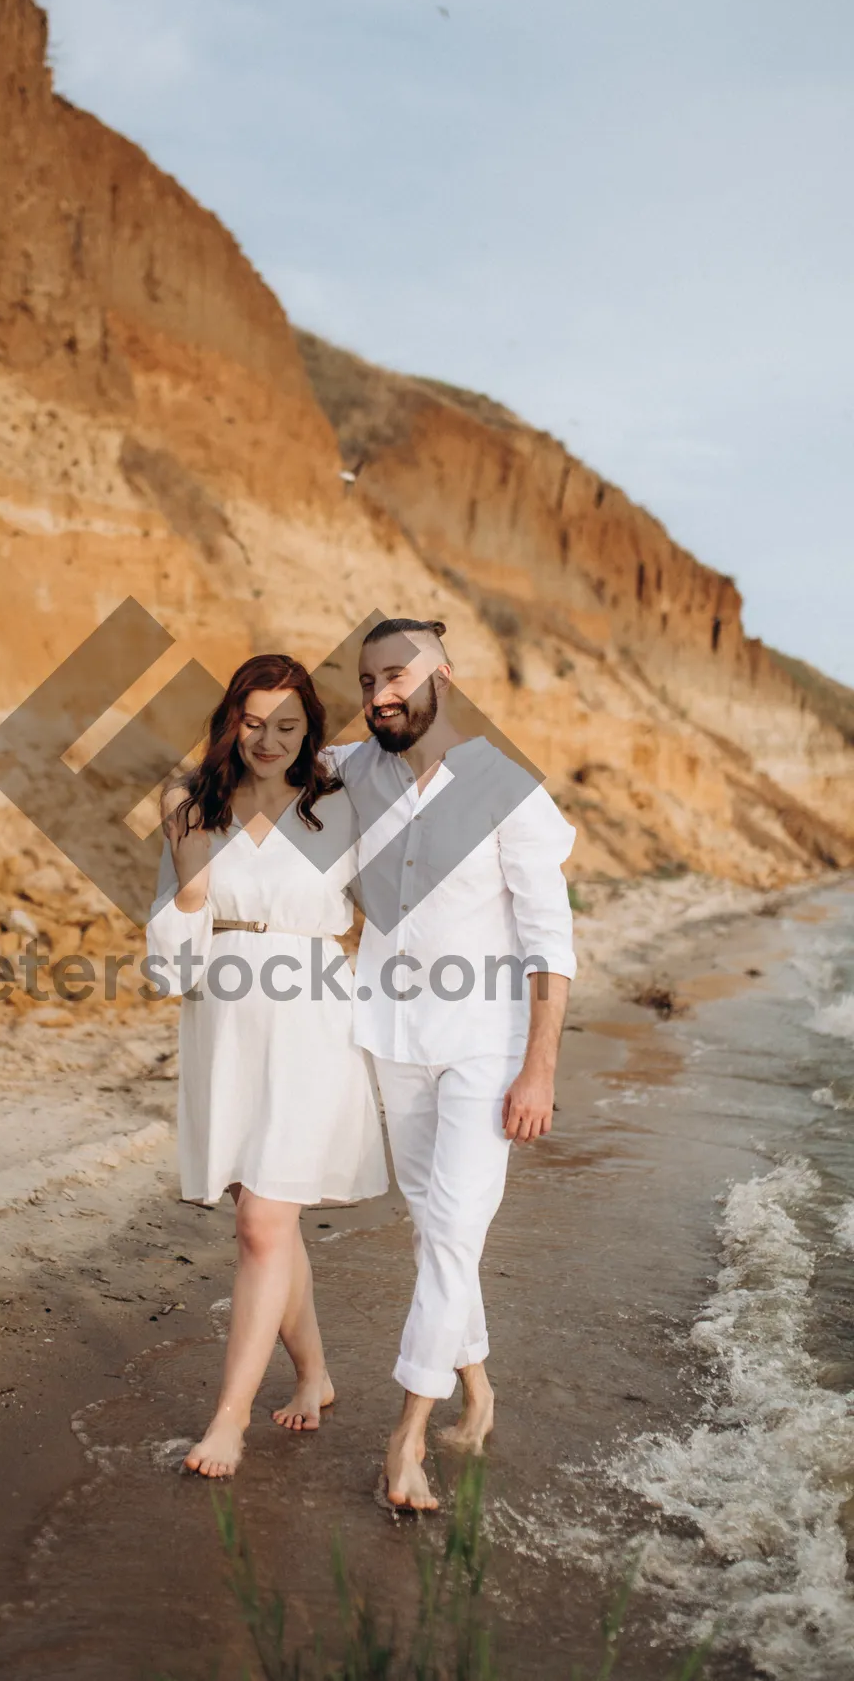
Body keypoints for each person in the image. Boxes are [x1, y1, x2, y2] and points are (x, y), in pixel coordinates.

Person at [327, 617, 577, 1512]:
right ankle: (476, 1384)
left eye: (396, 674)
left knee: (455, 1228)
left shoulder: (510, 793)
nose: (379, 693)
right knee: (439, 1231)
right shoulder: (358, 767)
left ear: (443, 675)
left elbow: (551, 948)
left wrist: (538, 1070)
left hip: (485, 1045)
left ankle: (404, 1439)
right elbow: (267, 760)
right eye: (366, 681)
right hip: (391, 1035)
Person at [147, 653, 388, 1481]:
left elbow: (399, 908)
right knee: (268, 1218)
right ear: (230, 723)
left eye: (287, 725)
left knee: (260, 1225)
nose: (268, 739)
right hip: (224, 1026)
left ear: (309, 732)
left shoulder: (342, 807)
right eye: (253, 723)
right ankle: (315, 1375)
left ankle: (229, 1421)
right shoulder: (192, 807)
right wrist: (186, 890)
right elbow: (168, 968)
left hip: (315, 1023)